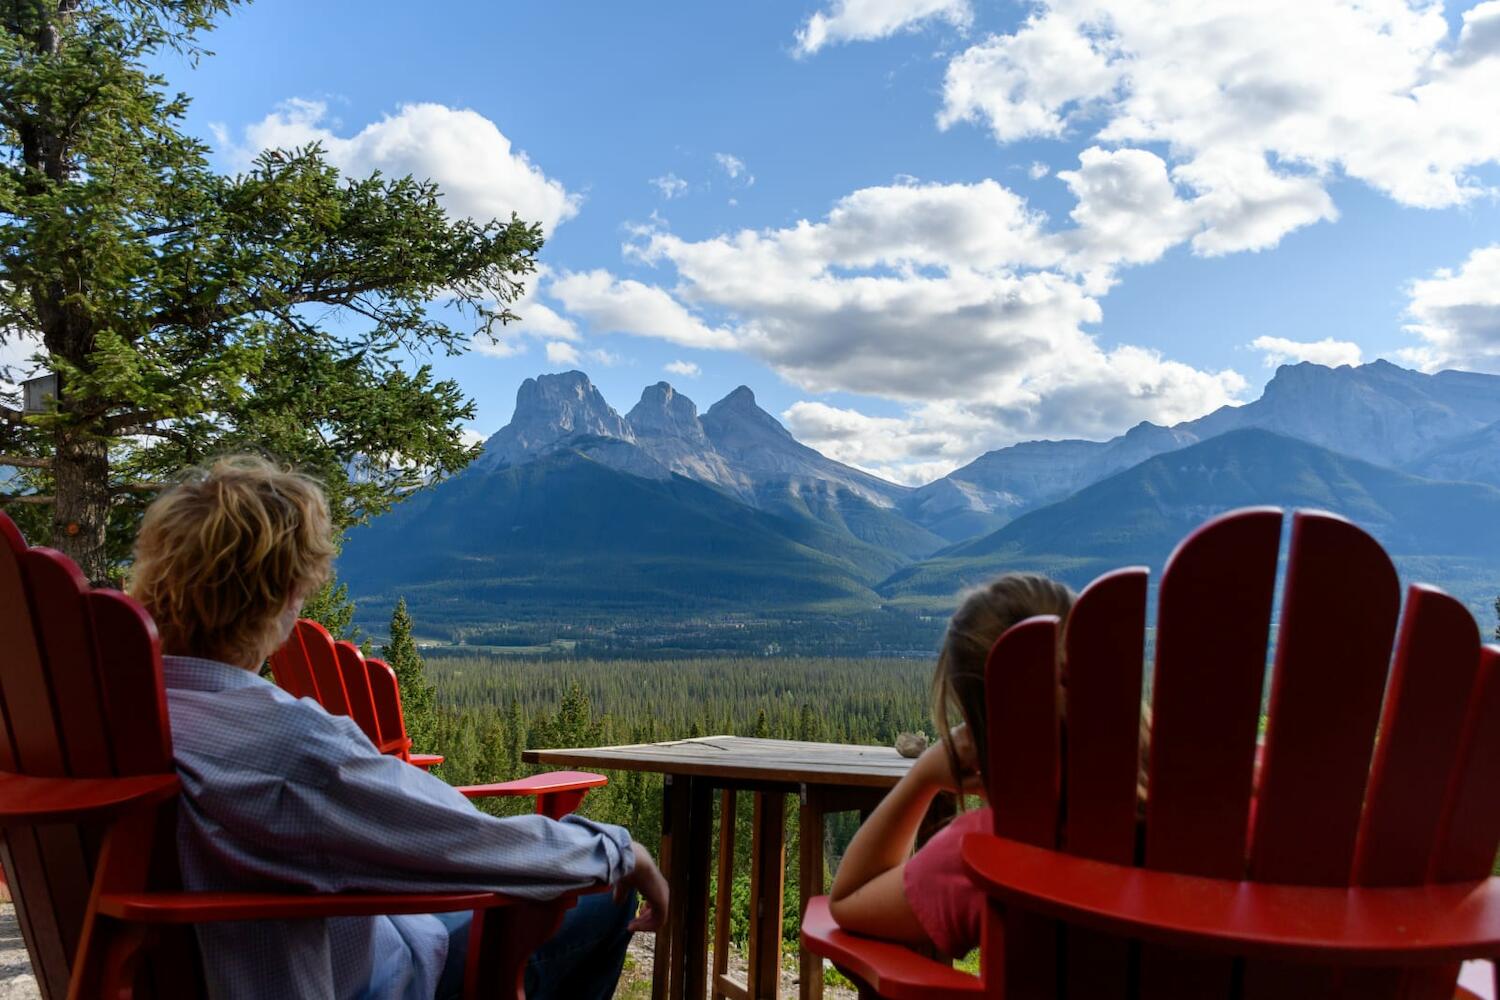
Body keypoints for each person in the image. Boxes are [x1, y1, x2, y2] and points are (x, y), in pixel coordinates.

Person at [129, 455, 668, 1000]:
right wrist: (622, 851)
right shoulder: (287, 747)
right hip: (359, 982)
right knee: (605, 893)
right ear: (285, 597)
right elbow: (470, 842)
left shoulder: (121, 723)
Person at [826, 573, 1075, 959]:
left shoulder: (982, 852)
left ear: (980, 732)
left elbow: (848, 899)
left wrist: (923, 776)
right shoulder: (1179, 816)